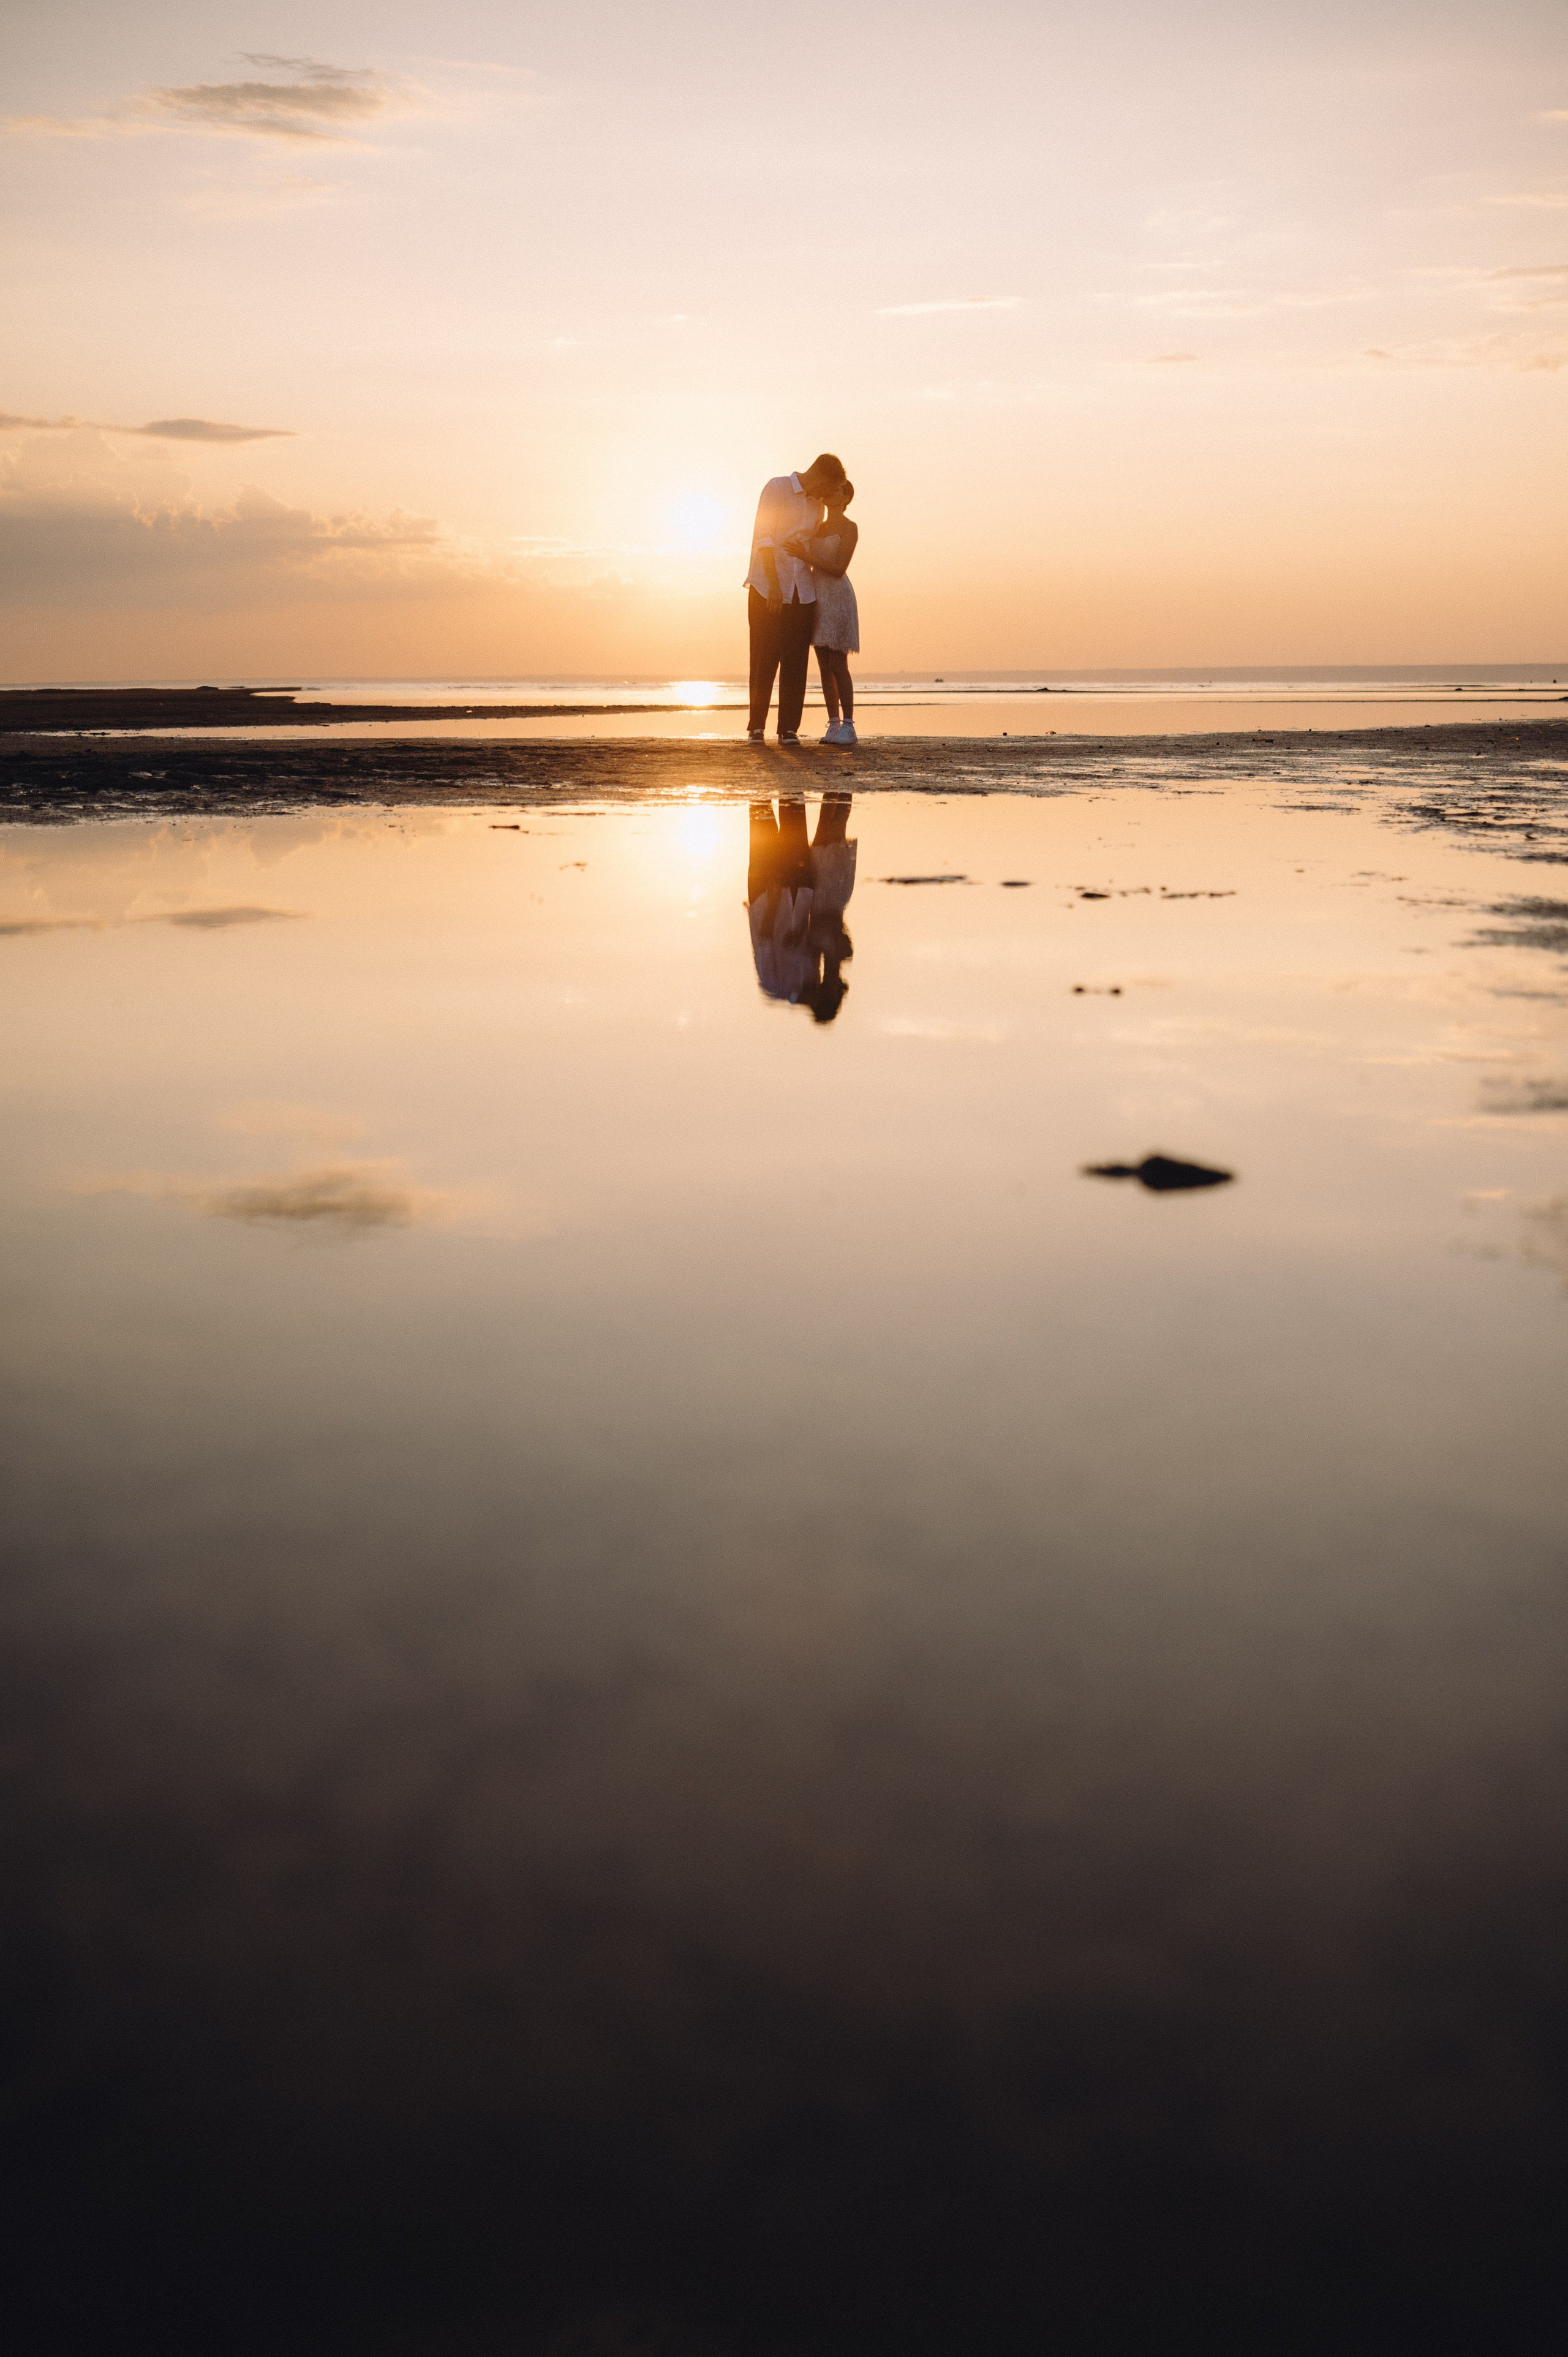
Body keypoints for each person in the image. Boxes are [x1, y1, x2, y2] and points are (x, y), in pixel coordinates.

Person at [744, 455, 847, 745]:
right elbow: (764, 539)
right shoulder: (776, 489)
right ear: (821, 476)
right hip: (768, 588)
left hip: (803, 590)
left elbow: (811, 545)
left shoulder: (816, 505)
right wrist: (775, 586)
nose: (827, 496)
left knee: (796, 662)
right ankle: (756, 726)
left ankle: (788, 728)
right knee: (763, 659)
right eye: (829, 488)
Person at [746, 791, 856, 1022]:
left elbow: (765, 941)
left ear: (823, 1000)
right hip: (802, 889)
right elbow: (809, 934)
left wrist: (775, 900)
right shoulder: (813, 975)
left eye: (832, 993)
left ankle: (756, 767)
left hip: (767, 894)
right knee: (794, 806)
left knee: (760, 815)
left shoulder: (775, 989)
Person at [804, 481, 859, 747]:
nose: (829, 493)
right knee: (824, 667)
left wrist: (807, 557)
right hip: (817, 598)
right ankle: (834, 724)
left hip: (838, 597)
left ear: (845, 498)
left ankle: (849, 725)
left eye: (836, 490)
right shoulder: (817, 527)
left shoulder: (850, 528)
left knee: (838, 663)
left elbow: (839, 568)